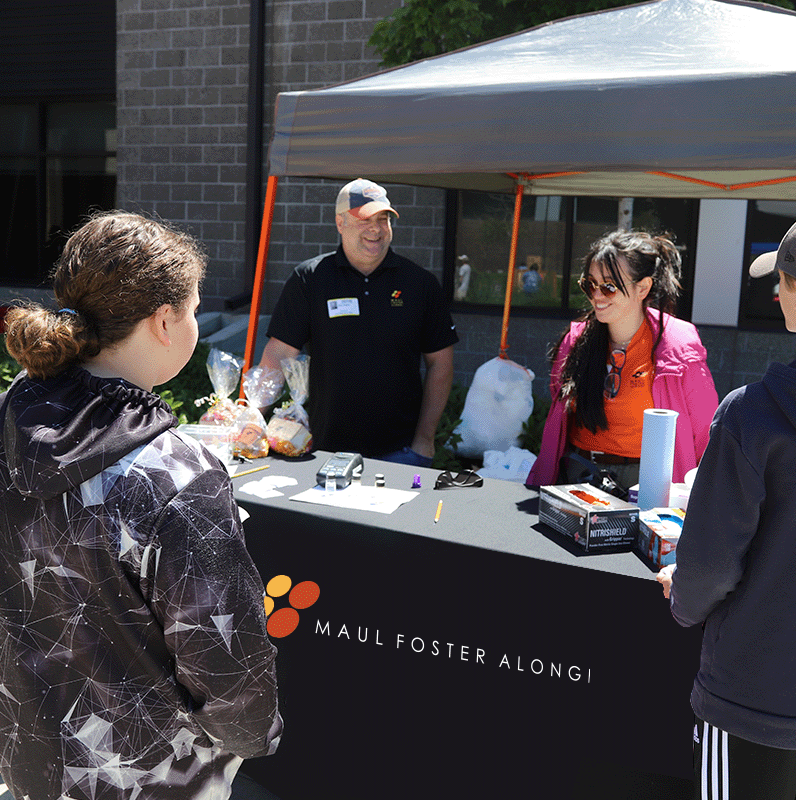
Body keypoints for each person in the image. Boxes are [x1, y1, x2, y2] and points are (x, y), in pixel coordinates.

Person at [0, 211, 281, 800]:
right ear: (163, 321)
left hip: (28, 756)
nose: (197, 324)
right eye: (195, 309)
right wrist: (255, 737)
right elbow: (228, 671)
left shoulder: (12, 417)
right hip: (151, 777)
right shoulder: (177, 475)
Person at [657, 217, 796, 799]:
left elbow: (708, 568)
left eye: (784, 279)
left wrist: (683, 597)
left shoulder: (752, 416)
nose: (775, 291)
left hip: (754, 694)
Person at [259, 178, 458, 467]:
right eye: (365, 219)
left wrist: (424, 440)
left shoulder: (420, 284)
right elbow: (279, 354)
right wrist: (251, 415)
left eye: (384, 219)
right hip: (322, 450)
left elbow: (441, 362)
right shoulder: (311, 279)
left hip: (401, 453)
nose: (376, 229)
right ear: (340, 223)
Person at [526, 229, 718, 491]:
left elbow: (704, 428)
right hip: (578, 473)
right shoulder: (576, 340)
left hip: (646, 482)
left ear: (643, 287)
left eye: (609, 286)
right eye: (589, 284)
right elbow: (560, 410)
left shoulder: (678, 345)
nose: (597, 295)